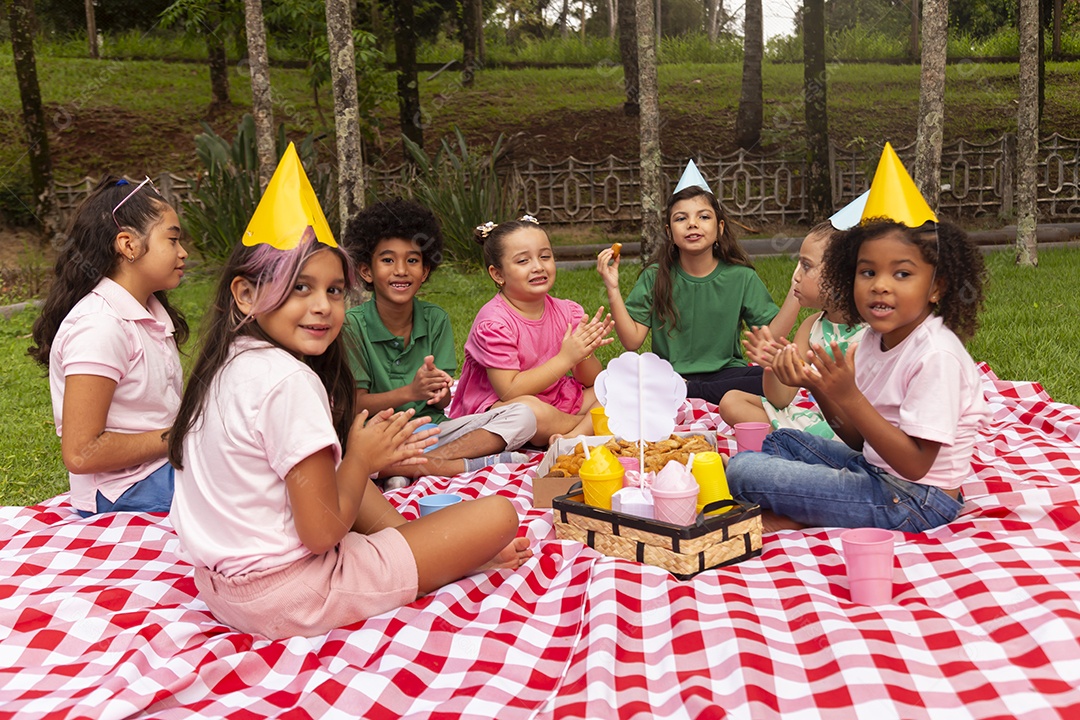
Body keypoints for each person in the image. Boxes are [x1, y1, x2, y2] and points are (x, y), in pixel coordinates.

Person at [168, 148, 530, 639]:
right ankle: (434, 553)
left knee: (383, 501)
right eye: (299, 287)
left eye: (333, 291)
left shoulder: (225, 362)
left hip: (224, 588)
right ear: (246, 294)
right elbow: (321, 536)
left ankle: (419, 546)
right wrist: (362, 458)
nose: (321, 307)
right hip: (297, 593)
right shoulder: (288, 380)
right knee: (498, 515)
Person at [725, 219, 989, 532]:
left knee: (743, 470)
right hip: (875, 470)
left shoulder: (936, 355)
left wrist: (850, 396)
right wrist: (817, 385)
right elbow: (857, 440)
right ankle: (809, 508)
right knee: (784, 440)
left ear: (936, 288)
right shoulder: (871, 340)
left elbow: (915, 466)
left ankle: (796, 515)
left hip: (916, 501)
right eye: (868, 272)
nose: (880, 285)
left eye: (902, 274)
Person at [342, 198, 537, 487]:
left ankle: (425, 466)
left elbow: (444, 401)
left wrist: (439, 390)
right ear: (366, 271)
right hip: (380, 438)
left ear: (425, 271)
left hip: (433, 434)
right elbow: (355, 405)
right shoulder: (352, 325)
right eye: (387, 260)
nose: (400, 270)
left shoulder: (435, 319)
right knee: (359, 455)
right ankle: (455, 465)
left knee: (524, 416)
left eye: (412, 260)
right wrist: (410, 391)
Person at [28, 176, 189, 516]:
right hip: (123, 490)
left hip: (160, 469)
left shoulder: (147, 313)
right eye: (173, 240)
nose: (182, 252)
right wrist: (181, 435)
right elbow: (81, 452)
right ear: (128, 245)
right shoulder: (100, 325)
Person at [596, 161, 799, 405]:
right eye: (681, 218)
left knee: (780, 377)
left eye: (703, 216)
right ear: (669, 232)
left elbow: (771, 337)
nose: (693, 223)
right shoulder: (655, 275)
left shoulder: (741, 277)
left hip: (728, 374)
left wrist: (797, 291)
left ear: (720, 227)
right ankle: (688, 390)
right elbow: (632, 341)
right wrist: (613, 288)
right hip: (670, 376)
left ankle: (691, 391)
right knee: (617, 380)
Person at [451, 216, 614, 445]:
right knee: (530, 411)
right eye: (523, 261)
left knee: (617, 387)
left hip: (556, 398)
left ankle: (568, 437)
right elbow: (509, 391)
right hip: (505, 408)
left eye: (545, 256)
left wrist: (584, 351)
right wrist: (566, 358)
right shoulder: (494, 323)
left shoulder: (568, 312)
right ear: (498, 274)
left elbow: (591, 381)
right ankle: (582, 430)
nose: (538, 266)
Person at [718, 221, 866, 438]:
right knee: (731, 401)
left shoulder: (870, 334)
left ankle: (789, 444)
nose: (795, 276)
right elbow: (781, 398)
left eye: (806, 266)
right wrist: (773, 365)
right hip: (817, 422)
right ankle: (794, 443)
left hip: (853, 431)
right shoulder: (811, 326)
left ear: (841, 277)